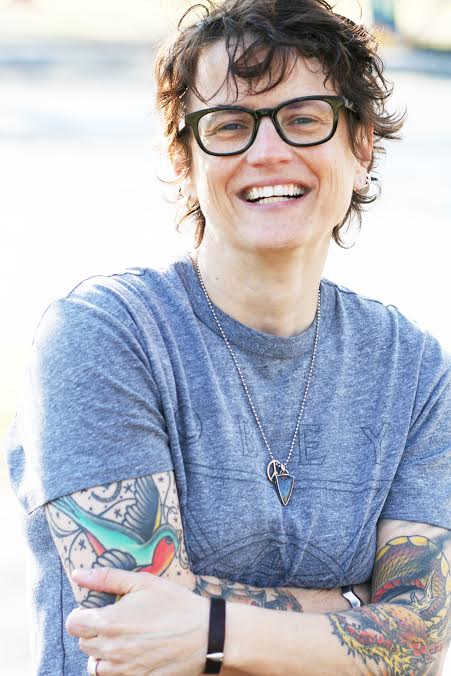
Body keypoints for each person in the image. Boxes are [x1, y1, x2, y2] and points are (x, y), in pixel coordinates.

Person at [6, 0, 451, 674]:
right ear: (184, 158)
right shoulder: (104, 336)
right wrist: (357, 610)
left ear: (360, 146)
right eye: (230, 125)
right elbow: (131, 628)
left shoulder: (411, 369)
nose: (268, 152)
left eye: (305, 119)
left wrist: (206, 628)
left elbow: (419, 640)